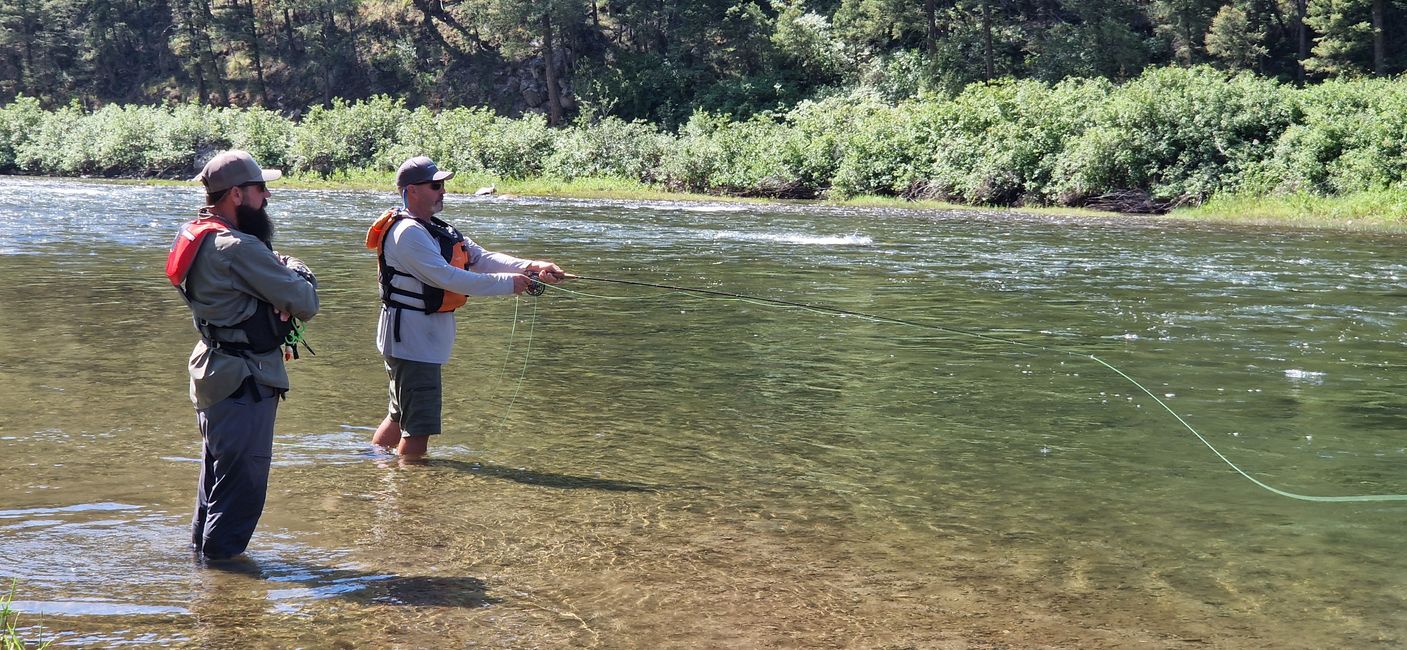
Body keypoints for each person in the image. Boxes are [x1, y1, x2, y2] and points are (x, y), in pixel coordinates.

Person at [167, 150, 320, 561]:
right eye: (259, 189)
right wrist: (296, 268)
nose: (266, 196)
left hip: (213, 372)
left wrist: (273, 273)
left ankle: (203, 573)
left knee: (216, 482)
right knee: (242, 492)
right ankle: (224, 591)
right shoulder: (237, 247)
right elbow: (305, 301)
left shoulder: (199, 234)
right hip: (244, 381)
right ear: (236, 193)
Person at [366, 155, 565, 458]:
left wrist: (530, 266)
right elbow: (449, 278)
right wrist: (510, 284)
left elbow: (480, 258)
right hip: (412, 343)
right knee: (418, 427)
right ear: (412, 190)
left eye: (442, 184)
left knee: (400, 414)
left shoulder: (434, 227)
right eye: (435, 185)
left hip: (414, 341)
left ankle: (375, 466)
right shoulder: (408, 234)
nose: (442, 191)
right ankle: (409, 496)